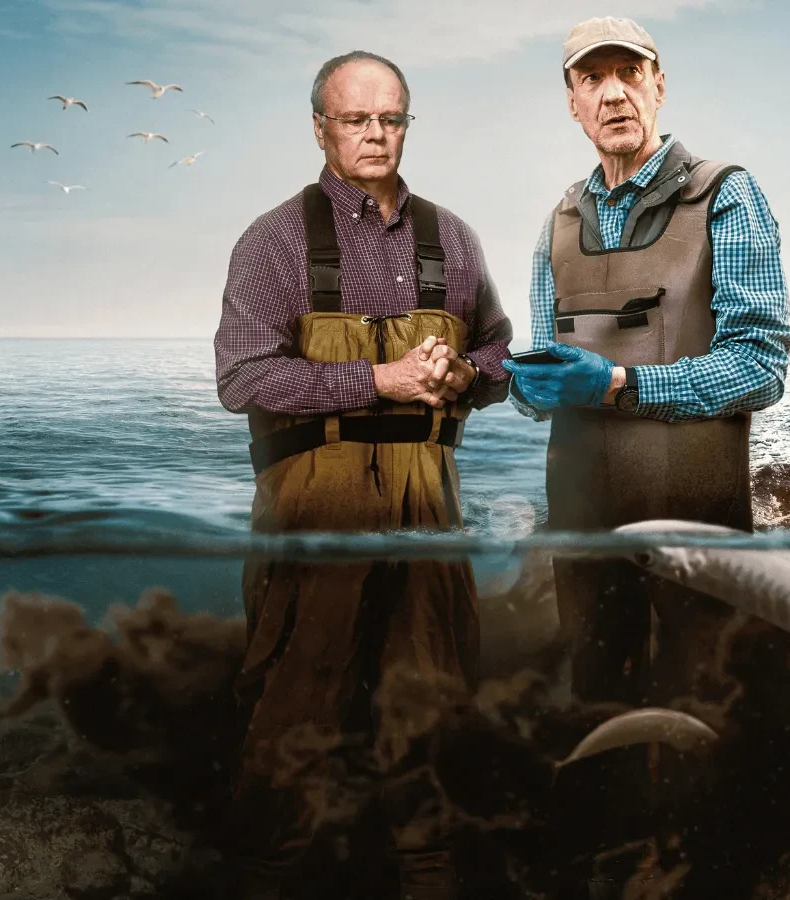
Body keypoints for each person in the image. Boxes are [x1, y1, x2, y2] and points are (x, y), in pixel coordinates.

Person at [499, 15, 790, 899]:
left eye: (630, 73)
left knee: (708, 714)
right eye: (594, 80)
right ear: (572, 103)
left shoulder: (728, 196)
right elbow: (545, 370)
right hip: (584, 530)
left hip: (698, 525)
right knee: (600, 710)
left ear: (660, 84)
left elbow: (761, 364)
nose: (614, 92)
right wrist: (521, 384)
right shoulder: (557, 221)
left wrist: (623, 389)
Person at [211, 50, 513, 900]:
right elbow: (241, 378)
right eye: (356, 120)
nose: (376, 135)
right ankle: (268, 870)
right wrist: (376, 381)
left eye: (391, 119)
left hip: (430, 507)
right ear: (320, 128)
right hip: (314, 509)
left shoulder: (452, 237)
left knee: (433, 691)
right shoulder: (274, 241)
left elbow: (498, 353)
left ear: (406, 125)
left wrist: (468, 377)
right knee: (294, 704)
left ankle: (429, 869)